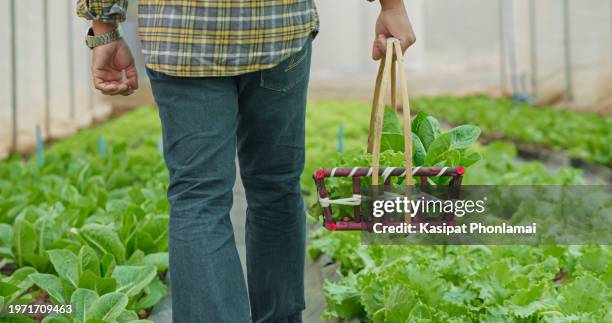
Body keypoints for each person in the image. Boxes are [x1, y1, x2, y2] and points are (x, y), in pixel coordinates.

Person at [76, 0, 415, 322]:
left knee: (199, 197)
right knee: (276, 186)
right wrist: (391, 6)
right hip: (276, 29)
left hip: (181, 34)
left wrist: (104, 24)